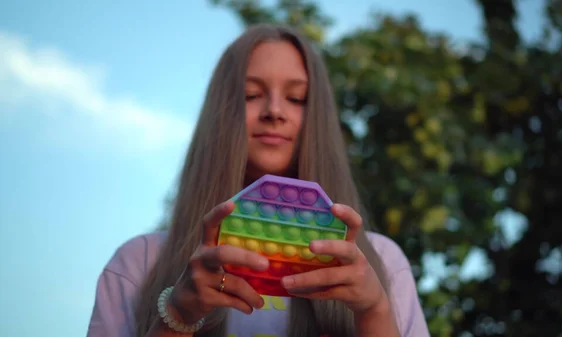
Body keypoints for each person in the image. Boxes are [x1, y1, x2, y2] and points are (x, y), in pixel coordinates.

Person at [86, 23, 430, 337]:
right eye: (251, 94)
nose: (274, 111)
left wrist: (373, 312)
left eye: (296, 98)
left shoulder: (384, 264)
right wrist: (178, 316)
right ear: (219, 115)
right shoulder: (138, 264)